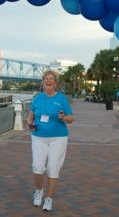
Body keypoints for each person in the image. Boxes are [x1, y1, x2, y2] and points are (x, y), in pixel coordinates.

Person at [26, 70, 74, 211]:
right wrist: (30, 124)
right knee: (37, 167)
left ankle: (48, 198)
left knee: (53, 169)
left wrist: (64, 117)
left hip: (58, 138)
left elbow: (71, 118)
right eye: (46, 78)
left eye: (51, 79)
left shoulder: (61, 98)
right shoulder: (38, 98)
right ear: (43, 81)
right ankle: (39, 190)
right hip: (38, 137)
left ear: (55, 82)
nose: (48, 80)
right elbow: (30, 117)